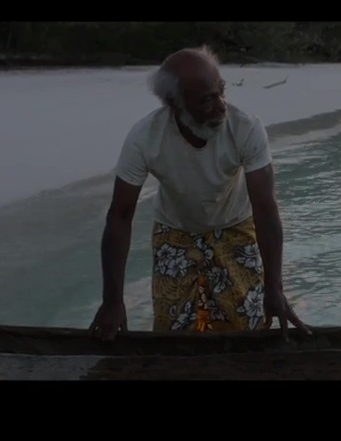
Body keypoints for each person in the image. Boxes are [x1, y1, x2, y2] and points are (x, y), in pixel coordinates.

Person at [89, 45, 311, 341]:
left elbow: (265, 207)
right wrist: (112, 301)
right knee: (174, 330)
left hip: (235, 226)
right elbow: (119, 216)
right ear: (174, 103)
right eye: (206, 100)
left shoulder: (246, 128)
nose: (221, 106)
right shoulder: (145, 138)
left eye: (221, 91)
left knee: (247, 324)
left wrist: (275, 288)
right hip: (175, 231)